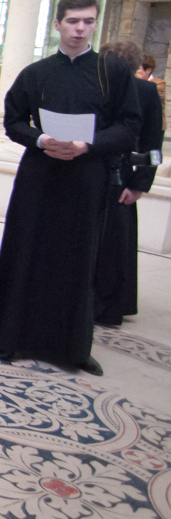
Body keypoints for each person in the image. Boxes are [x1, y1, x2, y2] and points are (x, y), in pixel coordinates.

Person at [0, 0, 142, 375]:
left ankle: (73, 346)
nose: (80, 29)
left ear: (95, 24)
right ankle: (12, 336)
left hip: (87, 177)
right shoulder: (38, 73)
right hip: (41, 174)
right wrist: (40, 139)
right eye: (73, 21)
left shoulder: (112, 71)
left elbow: (130, 125)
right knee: (28, 251)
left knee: (79, 256)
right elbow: (14, 120)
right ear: (57, 24)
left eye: (88, 21)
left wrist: (89, 144)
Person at [94, 41, 164, 325]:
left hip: (122, 175)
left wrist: (139, 185)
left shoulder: (146, 92)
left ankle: (110, 304)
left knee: (114, 243)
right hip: (89, 170)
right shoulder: (93, 85)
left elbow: (152, 144)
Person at [136, 54, 167, 130]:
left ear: (148, 70)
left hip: (154, 126)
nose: (135, 72)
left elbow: (146, 101)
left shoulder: (158, 84)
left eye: (138, 69)